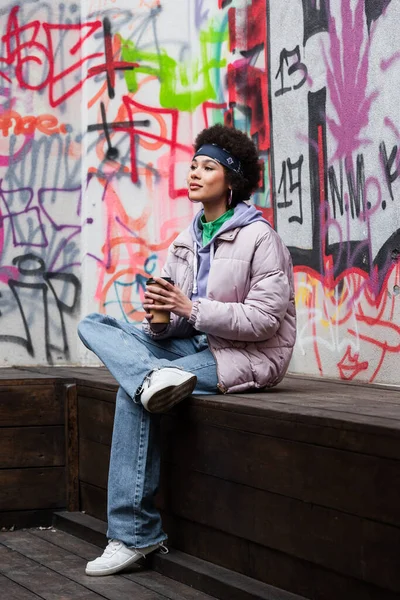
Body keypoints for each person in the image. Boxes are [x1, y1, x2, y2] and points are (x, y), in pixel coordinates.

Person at [77, 124, 296, 577]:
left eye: (208, 166)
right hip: (191, 342)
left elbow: (264, 321)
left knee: (132, 393)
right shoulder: (186, 237)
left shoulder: (261, 239)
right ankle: (149, 376)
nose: (195, 172)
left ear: (231, 181)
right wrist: (160, 318)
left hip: (243, 355)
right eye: (193, 164)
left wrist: (190, 309)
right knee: (93, 323)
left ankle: (133, 536)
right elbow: (173, 322)